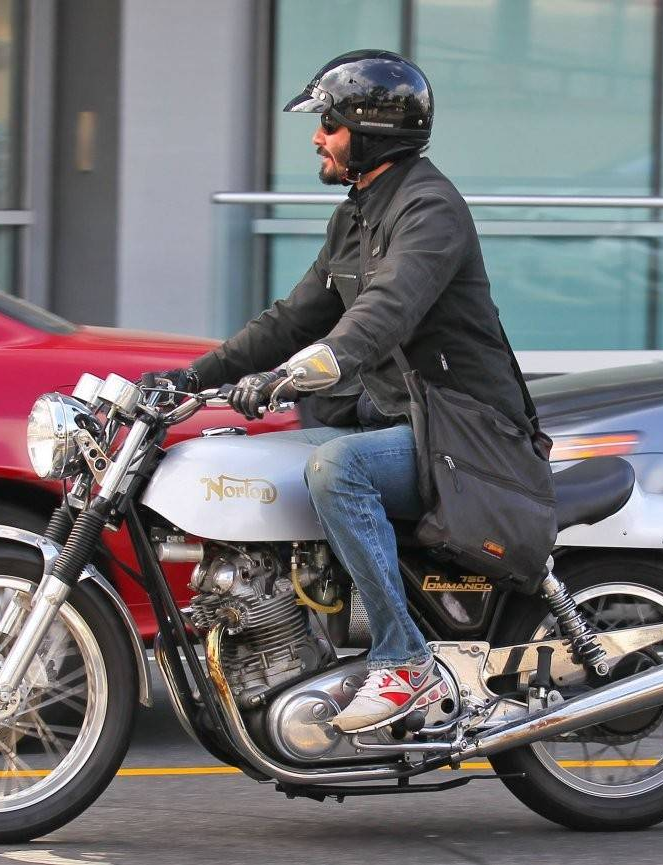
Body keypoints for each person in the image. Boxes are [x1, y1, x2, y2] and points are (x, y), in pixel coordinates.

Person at [146, 49, 528, 733]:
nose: (318, 137)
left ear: (371, 131)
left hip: (465, 434)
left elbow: (383, 314)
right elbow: (293, 318)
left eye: (329, 122)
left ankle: (403, 660)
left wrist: (302, 370)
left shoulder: (429, 210)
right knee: (271, 454)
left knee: (337, 468)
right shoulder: (356, 215)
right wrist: (192, 379)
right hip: (406, 423)